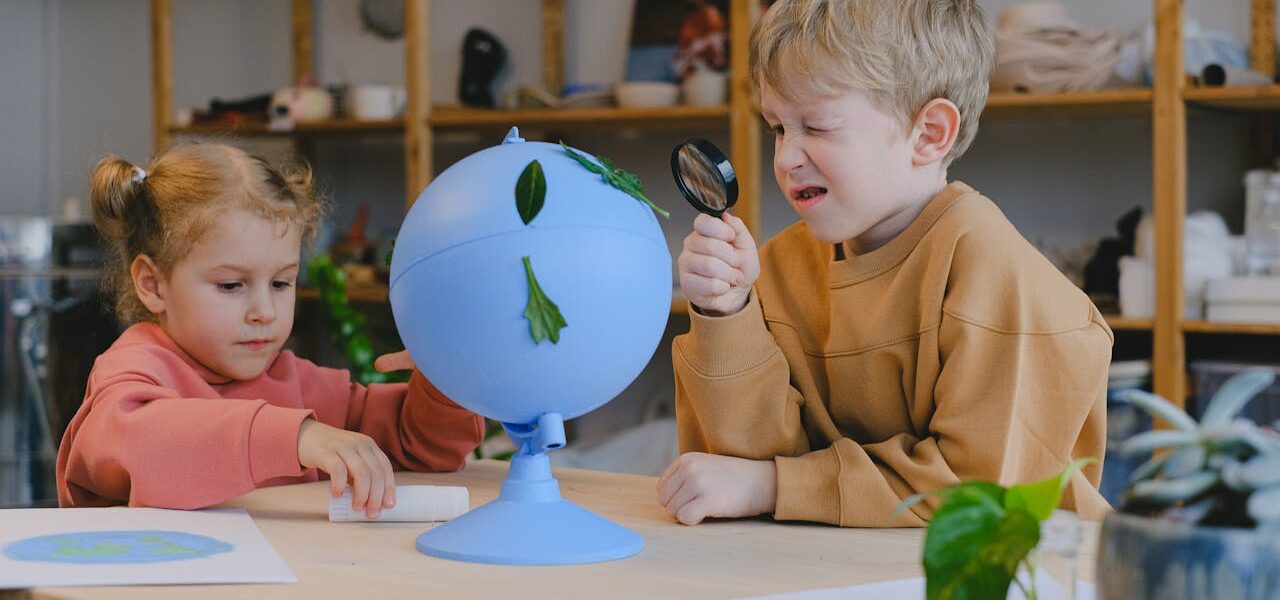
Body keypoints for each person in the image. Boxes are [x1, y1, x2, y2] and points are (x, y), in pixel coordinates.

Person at [658, 0, 1112, 527]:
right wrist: (726, 314)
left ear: (929, 134)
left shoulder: (994, 273)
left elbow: (973, 494)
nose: (785, 158)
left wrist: (776, 484)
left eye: (818, 126)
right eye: (779, 128)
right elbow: (739, 475)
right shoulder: (777, 268)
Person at [57, 143, 483, 518]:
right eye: (231, 285)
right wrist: (294, 436)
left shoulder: (299, 383)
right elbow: (144, 443)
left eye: (281, 283)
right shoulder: (131, 374)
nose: (263, 311)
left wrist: (443, 379)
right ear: (153, 284)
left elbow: (419, 447)